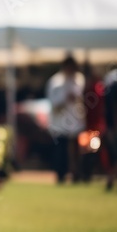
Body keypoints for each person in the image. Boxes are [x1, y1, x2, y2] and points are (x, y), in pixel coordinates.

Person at [46, 55, 85, 183]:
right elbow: (53, 101)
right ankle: (61, 175)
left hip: (75, 121)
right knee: (61, 150)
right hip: (60, 122)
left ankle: (77, 174)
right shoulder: (55, 82)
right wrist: (65, 98)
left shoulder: (79, 79)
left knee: (76, 150)